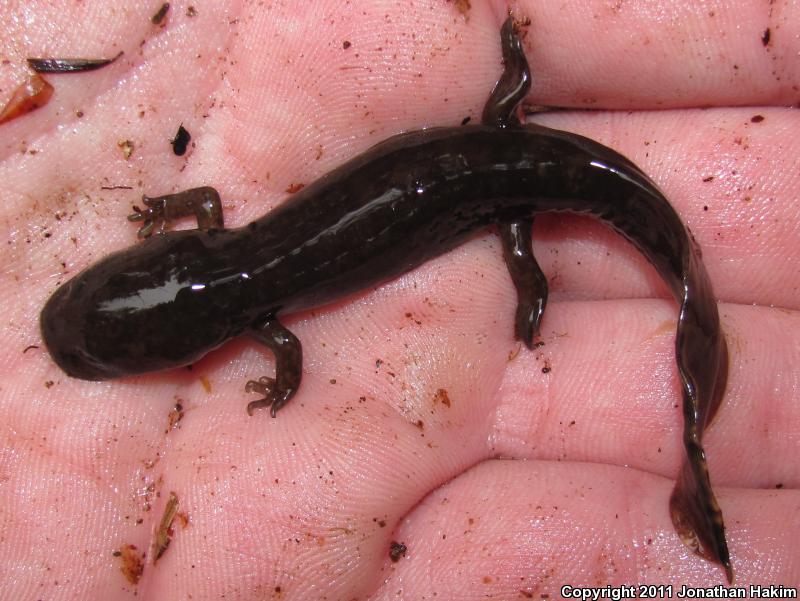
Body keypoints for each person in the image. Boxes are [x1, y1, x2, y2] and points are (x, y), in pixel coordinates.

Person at [1, 2, 797, 598]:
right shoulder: (212, 228)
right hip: (500, 144)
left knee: (518, 225)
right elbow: (203, 198)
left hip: (511, 173)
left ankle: (636, 370)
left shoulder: (264, 323)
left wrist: (281, 387)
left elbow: (288, 349)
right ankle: (521, 157)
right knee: (513, 213)